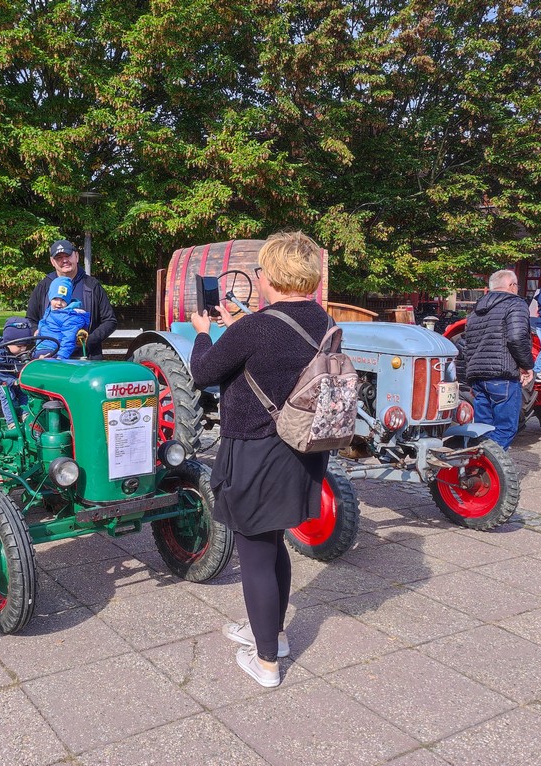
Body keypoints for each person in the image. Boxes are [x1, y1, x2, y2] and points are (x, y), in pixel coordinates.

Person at [188, 231, 330, 688]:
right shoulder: (321, 319)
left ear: (271, 276)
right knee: (274, 545)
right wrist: (238, 326)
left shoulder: (256, 327)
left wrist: (206, 334)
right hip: (302, 449)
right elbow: (275, 354)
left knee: (254, 552)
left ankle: (266, 661)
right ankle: (274, 632)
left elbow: (204, 373)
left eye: (261, 271)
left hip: (255, 449)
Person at [464, 269, 535, 450]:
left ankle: (479, 467)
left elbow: (468, 345)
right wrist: (526, 366)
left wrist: (471, 378)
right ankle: (488, 465)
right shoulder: (515, 304)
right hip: (502, 375)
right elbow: (517, 337)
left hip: (478, 377)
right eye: (516, 285)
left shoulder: (476, 311)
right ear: (511, 286)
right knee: (505, 428)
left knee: (483, 429)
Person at [26, 239, 116, 359]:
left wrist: (89, 340)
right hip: (50, 358)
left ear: (77, 256)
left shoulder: (92, 286)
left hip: (87, 358)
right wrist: (37, 333)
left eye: (68, 255)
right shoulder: (43, 286)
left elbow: (110, 321)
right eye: (59, 257)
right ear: (52, 262)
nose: (64, 260)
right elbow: (30, 320)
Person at [34, 276, 90, 358]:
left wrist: (61, 357)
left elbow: (69, 339)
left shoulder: (70, 316)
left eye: (63, 300)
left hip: (55, 350)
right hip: (42, 346)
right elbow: (47, 323)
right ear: (50, 298)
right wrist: (39, 330)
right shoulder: (51, 310)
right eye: (55, 299)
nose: (59, 303)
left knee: (32, 362)